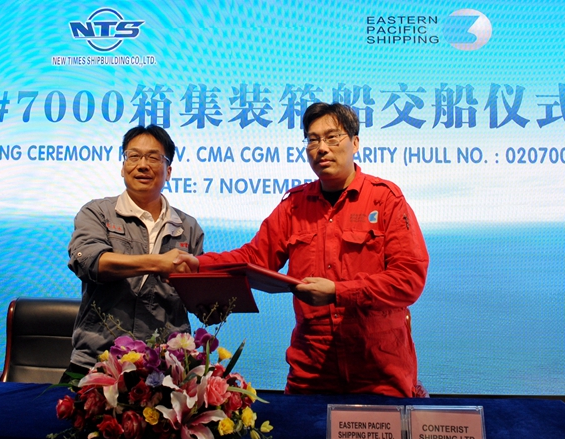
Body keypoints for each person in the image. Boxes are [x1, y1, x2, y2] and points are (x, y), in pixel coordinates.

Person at [177, 102, 429, 397]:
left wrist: (338, 292)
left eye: (332, 137)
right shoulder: (294, 205)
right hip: (312, 370)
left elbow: (408, 279)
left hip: (378, 368)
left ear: (355, 143)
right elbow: (255, 258)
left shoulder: (385, 199)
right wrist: (198, 264)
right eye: (312, 140)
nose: (321, 148)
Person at [63, 124, 203, 381]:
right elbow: (90, 262)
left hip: (164, 369)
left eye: (153, 158)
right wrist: (158, 263)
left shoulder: (189, 228)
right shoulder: (97, 213)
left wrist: (216, 301)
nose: (142, 165)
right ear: (123, 167)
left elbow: (197, 299)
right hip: (97, 362)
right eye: (134, 156)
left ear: (169, 171)